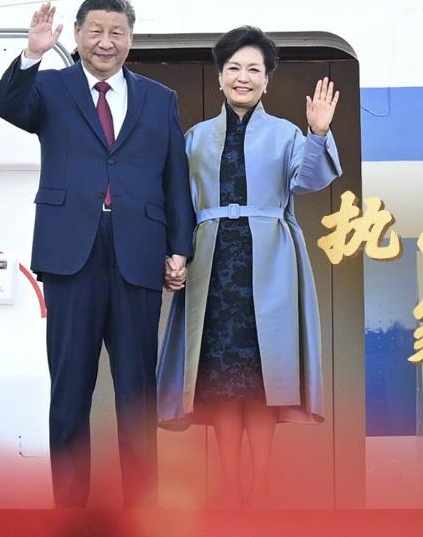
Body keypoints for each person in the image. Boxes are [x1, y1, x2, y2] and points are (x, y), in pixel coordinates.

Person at [0, 0, 195, 508]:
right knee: (69, 393)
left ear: (131, 38)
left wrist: (179, 247)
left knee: (136, 396)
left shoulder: (159, 98)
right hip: (70, 253)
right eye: (96, 31)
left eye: (117, 32)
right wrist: (33, 54)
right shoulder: (50, 88)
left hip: (137, 254)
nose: (106, 42)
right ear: (78, 34)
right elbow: (8, 107)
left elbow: (175, 177)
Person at [156, 26, 341, 508]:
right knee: (219, 378)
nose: (243, 77)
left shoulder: (286, 133)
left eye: (254, 69)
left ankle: (260, 484)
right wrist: (174, 254)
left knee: (260, 378)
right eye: (234, 68)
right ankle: (229, 482)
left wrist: (318, 132)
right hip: (213, 265)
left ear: (266, 80)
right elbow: (178, 204)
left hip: (270, 262)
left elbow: (309, 180)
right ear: (220, 77)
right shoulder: (196, 137)